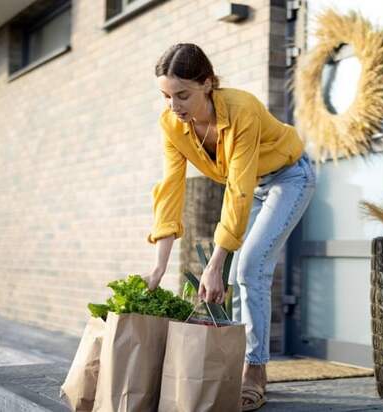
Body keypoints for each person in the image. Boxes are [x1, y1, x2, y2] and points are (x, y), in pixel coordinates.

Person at [146, 43, 316, 411]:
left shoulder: (242, 109)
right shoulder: (172, 124)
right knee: (240, 272)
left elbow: (237, 188)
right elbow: (170, 189)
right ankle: (239, 364)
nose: (174, 106)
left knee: (250, 266)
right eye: (166, 96)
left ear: (207, 83)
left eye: (182, 95)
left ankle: (255, 369)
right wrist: (159, 264)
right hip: (253, 187)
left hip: (288, 177)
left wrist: (213, 265)